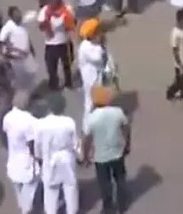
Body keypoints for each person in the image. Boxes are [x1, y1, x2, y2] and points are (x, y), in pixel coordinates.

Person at [83, 85, 131, 214]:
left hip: (101, 156)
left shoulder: (92, 118)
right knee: (120, 178)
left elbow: (87, 139)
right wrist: (127, 144)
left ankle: (108, 206)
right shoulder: (117, 112)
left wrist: (86, 155)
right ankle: (122, 204)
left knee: (105, 183)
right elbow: (126, 128)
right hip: (117, 152)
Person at [36, 92, 81, 214]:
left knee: (50, 190)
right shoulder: (69, 122)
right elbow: (75, 143)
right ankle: (72, 211)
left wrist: (39, 157)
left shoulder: (41, 124)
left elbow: (38, 145)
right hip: (66, 157)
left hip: (49, 159)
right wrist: (79, 154)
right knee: (70, 187)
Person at [2, 91, 42, 214]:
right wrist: (38, 158)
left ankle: (22, 206)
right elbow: (32, 144)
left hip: (13, 160)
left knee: (18, 188)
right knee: (29, 191)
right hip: (27, 162)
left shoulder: (7, 117)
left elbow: (5, 133)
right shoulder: (30, 121)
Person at [39, 0, 77, 91]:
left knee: (67, 64)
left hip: (65, 42)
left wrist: (68, 23)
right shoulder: (44, 11)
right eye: (49, 0)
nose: (52, 3)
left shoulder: (67, 9)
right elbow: (41, 27)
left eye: (54, 0)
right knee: (51, 67)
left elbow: (74, 22)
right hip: (51, 43)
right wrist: (45, 23)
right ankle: (53, 84)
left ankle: (68, 83)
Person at [0, 6, 40, 96]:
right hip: (16, 59)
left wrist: (32, 49)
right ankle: (22, 99)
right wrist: (7, 54)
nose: (19, 16)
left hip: (27, 55)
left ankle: (32, 95)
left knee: (32, 75)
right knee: (20, 80)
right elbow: (2, 42)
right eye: (16, 15)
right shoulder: (7, 28)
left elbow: (27, 37)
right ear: (11, 17)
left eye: (19, 13)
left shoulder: (23, 24)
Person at [77, 19, 109, 116]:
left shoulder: (93, 45)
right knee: (90, 102)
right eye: (99, 33)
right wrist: (101, 48)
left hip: (96, 77)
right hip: (90, 79)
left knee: (96, 100)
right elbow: (98, 58)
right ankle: (87, 126)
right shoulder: (86, 47)